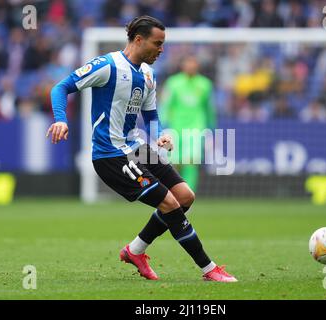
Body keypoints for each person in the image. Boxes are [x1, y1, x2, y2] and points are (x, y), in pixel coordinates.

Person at [46, 15, 237, 282]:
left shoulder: (148, 74)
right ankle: (209, 268)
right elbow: (60, 87)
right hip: (111, 154)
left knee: (185, 197)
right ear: (138, 40)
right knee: (169, 203)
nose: (161, 50)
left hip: (137, 146)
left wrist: (159, 137)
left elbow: (151, 114)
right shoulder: (108, 65)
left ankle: (135, 251)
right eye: (157, 44)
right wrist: (61, 120)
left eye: (163, 44)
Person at [159, 55, 216, 192]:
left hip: (196, 128)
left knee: (191, 161)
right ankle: (173, 192)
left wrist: (212, 127)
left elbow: (209, 108)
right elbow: (165, 105)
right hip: (176, 127)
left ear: (197, 66)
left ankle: (188, 194)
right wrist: (162, 126)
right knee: (175, 162)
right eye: (188, 63)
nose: (190, 66)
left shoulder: (205, 84)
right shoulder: (173, 83)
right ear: (183, 65)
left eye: (193, 63)